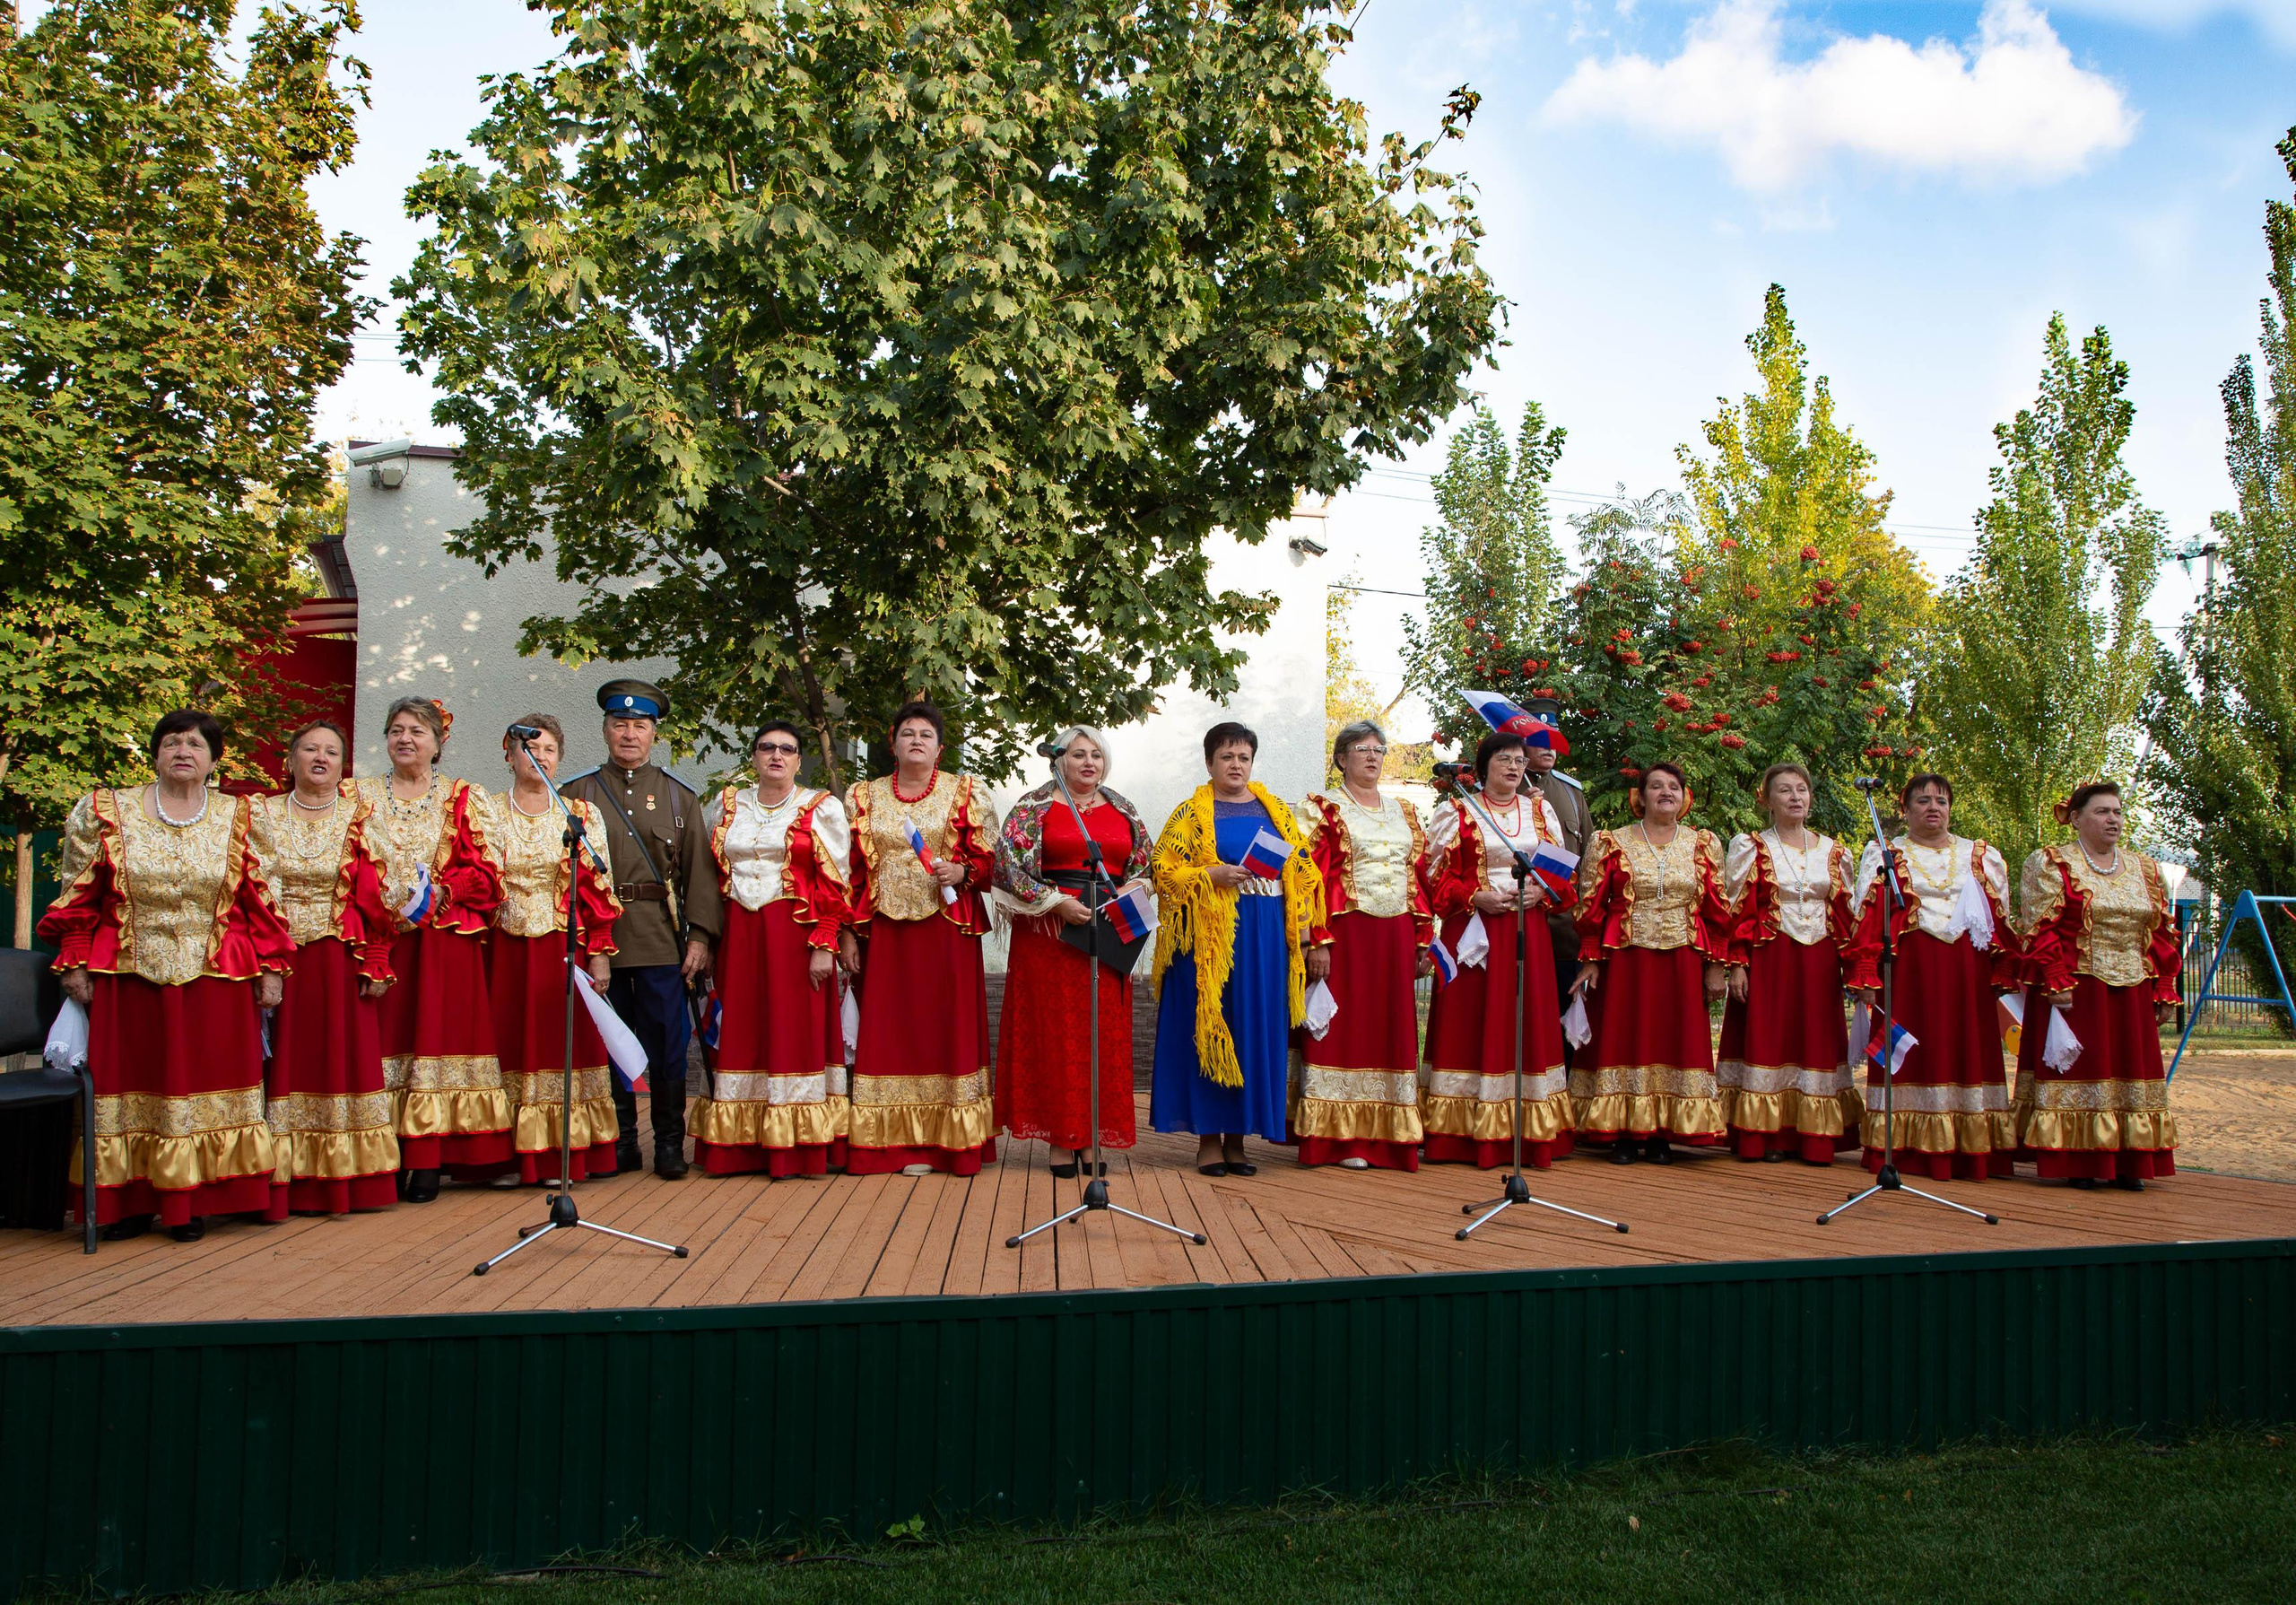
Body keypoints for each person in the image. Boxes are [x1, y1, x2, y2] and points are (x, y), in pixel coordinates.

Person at [41, 710, 292, 1241]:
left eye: (197, 744)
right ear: (154, 753)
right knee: (130, 1089)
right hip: (129, 975)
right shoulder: (106, 811)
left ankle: (193, 1202)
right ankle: (127, 1204)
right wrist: (77, 958)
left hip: (217, 977)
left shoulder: (240, 817)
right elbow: (77, 893)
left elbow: (260, 900)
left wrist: (271, 967)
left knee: (210, 1087)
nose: (184, 750)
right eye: (173, 742)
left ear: (213, 761)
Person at [1149, 722, 1325, 1177]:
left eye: (1244, 757)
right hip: (1209, 942)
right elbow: (1163, 873)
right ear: (1210, 763)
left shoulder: (1278, 812)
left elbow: (1302, 871)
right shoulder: (1190, 813)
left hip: (1266, 937)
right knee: (1213, 1023)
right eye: (1227, 757)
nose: (1236, 765)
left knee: (1252, 1029)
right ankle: (1209, 1138)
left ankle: (1238, 1138)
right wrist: (1210, 875)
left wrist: (1304, 933)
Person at [564, 680, 722, 1180]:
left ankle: (670, 1144)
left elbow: (699, 873)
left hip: (659, 937)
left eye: (640, 725)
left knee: (668, 1044)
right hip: (598, 940)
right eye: (620, 724)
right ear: (606, 729)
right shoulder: (577, 793)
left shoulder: (678, 797)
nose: (629, 734)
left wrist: (700, 936)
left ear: (654, 733)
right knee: (610, 1041)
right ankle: (622, 1142)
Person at [358, 697, 513, 1202]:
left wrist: (446, 889)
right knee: (382, 1044)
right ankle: (385, 1157)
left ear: (438, 743)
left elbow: (487, 869)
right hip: (380, 939)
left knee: (437, 1043)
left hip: (441, 939)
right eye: (397, 730)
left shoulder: (462, 797)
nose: (406, 739)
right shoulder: (356, 796)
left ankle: (429, 1161)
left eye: (417, 731)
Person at [839, 699, 1002, 1176]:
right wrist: (847, 931)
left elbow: (992, 861)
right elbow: (846, 871)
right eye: (907, 733)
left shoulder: (965, 792)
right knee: (889, 1029)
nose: (916, 740)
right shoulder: (862, 797)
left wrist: (964, 869)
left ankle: (947, 1144)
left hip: (946, 930)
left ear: (940, 748)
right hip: (884, 935)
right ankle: (887, 1145)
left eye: (925, 735)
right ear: (892, 744)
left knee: (944, 1028)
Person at [247, 720, 401, 1217]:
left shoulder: (362, 815)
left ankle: (345, 1182)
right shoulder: (258, 814)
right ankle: (277, 1183)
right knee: (279, 1066)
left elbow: (383, 891)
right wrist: (265, 959)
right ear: (289, 760)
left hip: (339, 961)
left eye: (331, 752)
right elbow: (247, 889)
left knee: (341, 1062)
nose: (320, 758)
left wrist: (376, 958)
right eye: (309, 749)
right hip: (273, 959)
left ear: (343, 765)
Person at [691, 721, 853, 1177]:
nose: (776, 756)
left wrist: (826, 942)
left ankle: (796, 1147)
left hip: (795, 936)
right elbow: (703, 872)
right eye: (767, 748)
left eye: (787, 749)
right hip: (739, 933)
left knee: (791, 1031)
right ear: (755, 756)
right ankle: (738, 1146)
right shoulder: (724, 805)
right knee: (741, 1027)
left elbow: (837, 879)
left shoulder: (821, 807)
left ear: (800, 760)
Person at [992, 728, 1152, 1174]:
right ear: (1058, 760)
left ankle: (1093, 1136)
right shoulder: (1033, 806)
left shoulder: (1123, 808)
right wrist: (1057, 902)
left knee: (1101, 1037)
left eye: (1096, 755)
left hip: (1109, 932)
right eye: (1077, 754)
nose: (1088, 763)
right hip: (1051, 934)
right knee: (1056, 1035)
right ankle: (1062, 1138)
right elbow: (1006, 866)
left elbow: (1145, 864)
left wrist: (1133, 889)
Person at [1844, 772, 2020, 1181]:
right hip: (1909, 973)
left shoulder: (1980, 855)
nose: (1933, 807)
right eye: (1923, 801)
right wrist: (1866, 974)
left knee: (1966, 1049)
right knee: (1908, 1054)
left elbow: (2000, 921)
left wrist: (2006, 970)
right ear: (1905, 810)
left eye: (1941, 800)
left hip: (1966, 975)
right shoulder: (1885, 853)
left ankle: (1970, 1148)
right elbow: (1868, 919)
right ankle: (1905, 1150)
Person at [1420, 729, 1577, 1169]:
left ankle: (1528, 1130)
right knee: (1472, 1020)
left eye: (1519, 761)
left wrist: (1542, 893)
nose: (1512, 767)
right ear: (1484, 765)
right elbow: (1435, 877)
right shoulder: (1457, 811)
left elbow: (1562, 872)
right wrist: (1476, 895)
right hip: (1475, 936)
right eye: (1504, 759)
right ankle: (1460, 1133)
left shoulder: (1540, 810)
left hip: (1529, 931)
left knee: (1527, 1019)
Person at [2013, 782, 2181, 1190]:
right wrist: (2054, 979)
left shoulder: (2144, 868)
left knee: (2130, 1074)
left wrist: (2164, 985)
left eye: (2118, 812)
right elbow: (2040, 926)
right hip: (2078, 988)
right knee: (2083, 1075)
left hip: (2133, 989)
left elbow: (2160, 933)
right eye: (2103, 812)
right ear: (2075, 818)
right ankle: (2082, 1161)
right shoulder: (2052, 863)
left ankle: (2129, 1162)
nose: (2113, 820)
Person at [1570, 761, 1733, 1164]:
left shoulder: (1703, 844)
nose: (1666, 793)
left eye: (1674, 787)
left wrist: (1716, 965)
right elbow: (1590, 902)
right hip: (1626, 958)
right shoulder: (1612, 841)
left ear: (1684, 797)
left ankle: (1664, 1133)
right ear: (1639, 797)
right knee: (1624, 1037)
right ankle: (1623, 1132)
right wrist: (1591, 958)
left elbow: (1718, 909)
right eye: (1656, 786)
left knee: (1674, 1038)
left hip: (1683, 957)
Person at [486, 714, 624, 1185]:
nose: (538, 756)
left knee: (559, 1045)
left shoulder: (580, 815)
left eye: (547, 749)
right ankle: (508, 1156)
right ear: (508, 755)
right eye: (528, 748)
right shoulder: (484, 810)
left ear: (559, 757)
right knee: (507, 1044)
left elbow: (596, 887)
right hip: (501, 948)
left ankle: (558, 1156)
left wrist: (600, 951)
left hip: (563, 947)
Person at [1293, 721, 1431, 1170]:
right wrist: (1317, 939)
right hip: (1345, 935)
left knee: (1390, 1028)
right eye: (1361, 748)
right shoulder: (1322, 808)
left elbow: (1420, 877)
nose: (1372, 756)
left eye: (1378, 749)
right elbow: (1308, 877)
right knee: (1342, 1029)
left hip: (1394, 935)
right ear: (1341, 758)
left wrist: (1423, 939)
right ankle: (1340, 1138)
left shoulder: (1404, 811)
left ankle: (1387, 1136)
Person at [1718, 763, 1861, 1165]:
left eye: (1802, 789)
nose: (1796, 797)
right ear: (1767, 799)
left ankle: (1813, 1137)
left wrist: (1855, 967)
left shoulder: (1834, 851)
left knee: (1815, 1037)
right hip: (1770, 954)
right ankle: (1764, 1136)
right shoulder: (1751, 846)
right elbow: (1738, 909)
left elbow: (1846, 912)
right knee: (1769, 1036)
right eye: (1785, 791)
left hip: (1819, 957)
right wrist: (1737, 964)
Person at [1522, 695, 1595, 1059]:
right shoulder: (1501, 789)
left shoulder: (1570, 791)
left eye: (1552, 734)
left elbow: (1589, 859)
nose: (1547, 745)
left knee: (1565, 1027)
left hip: (1565, 929)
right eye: (1538, 736)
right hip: (1519, 924)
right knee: (1522, 1024)